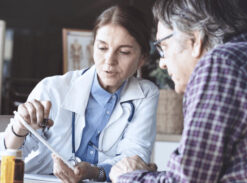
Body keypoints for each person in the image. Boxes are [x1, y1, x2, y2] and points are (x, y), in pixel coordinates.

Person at [109, 0, 247, 182]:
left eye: (163, 47)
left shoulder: (221, 63)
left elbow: (186, 180)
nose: (163, 63)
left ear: (195, 40)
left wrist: (126, 176)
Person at [0, 5, 159, 182]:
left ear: (142, 59)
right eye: (102, 48)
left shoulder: (145, 94)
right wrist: (19, 129)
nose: (109, 61)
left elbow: (133, 162)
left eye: (124, 52)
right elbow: (8, 156)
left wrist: (92, 172)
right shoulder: (52, 88)